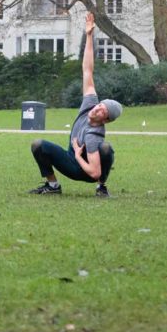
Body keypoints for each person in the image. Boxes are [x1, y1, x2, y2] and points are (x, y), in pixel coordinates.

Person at [29, 12, 122, 198]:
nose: (97, 108)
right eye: (100, 105)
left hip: (83, 169)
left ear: (106, 119)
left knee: (106, 148)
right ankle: (52, 185)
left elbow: (94, 173)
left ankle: (101, 188)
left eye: (102, 111)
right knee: (38, 145)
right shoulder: (89, 104)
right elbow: (87, 69)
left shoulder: (94, 135)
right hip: (71, 160)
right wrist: (89, 36)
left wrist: (79, 155)